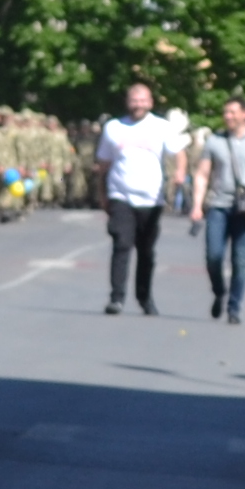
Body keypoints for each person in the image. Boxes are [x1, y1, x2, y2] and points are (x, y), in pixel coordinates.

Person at [96, 82, 178, 315]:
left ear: (150, 103)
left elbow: (178, 152)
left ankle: (144, 297)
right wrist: (103, 195)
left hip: (151, 199)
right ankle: (117, 298)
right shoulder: (114, 128)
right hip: (121, 195)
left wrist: (180, 172)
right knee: (121, 243)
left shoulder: (161, 127)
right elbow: (103, 165)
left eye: (143, 100)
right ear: (127, 102)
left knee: (146, 251)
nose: (138, 104)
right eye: (134, 100)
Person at [188, 97, 245, 321]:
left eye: (232, 112)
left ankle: (234, 307)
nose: (228, 117)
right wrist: (197, 205)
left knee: (240, 259)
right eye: (225, 113)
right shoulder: (215, 140)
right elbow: (202, 174)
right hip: (218, 205)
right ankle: (219, 292)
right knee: (213, 256)